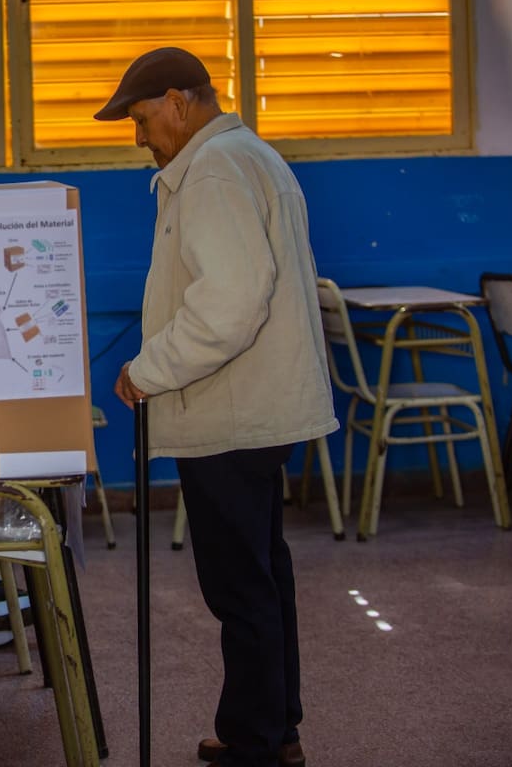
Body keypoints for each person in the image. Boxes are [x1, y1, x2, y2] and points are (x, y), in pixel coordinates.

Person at [96, 47, 338, 767]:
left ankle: (258, 743)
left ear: (178, 101)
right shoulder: (245, 156)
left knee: (240, 588)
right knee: (262, 576)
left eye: (141, 118)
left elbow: (230, 304)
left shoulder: (214, 171)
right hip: (255, 406)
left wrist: (149, 369)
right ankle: (269, 727)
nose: (139, 135)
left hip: (231, 411)